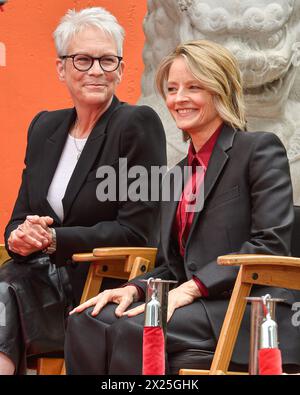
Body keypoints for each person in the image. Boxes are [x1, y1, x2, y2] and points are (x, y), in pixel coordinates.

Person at [64, 40, 300, 375]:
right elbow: (173, 265)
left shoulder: (259, 150)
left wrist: (191, 289)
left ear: (221, 91)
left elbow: (271, 246)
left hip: (246, 306)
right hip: (194, 303)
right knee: (86, 320)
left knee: (134, 328)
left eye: (194, 87)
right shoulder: (177, 175)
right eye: (172, 89)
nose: (179, 99)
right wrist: (133, 288)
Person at [0, 7, 167, 375]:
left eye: (107, 60)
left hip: (99, 286)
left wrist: (54, 239)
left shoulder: (137, 124)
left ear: (121, 70)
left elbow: (138, 232)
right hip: (35, 281)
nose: (96, 70)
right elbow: (16, 221)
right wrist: (21, 238)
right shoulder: (45, 126)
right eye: (83, 60)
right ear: (62, 68)